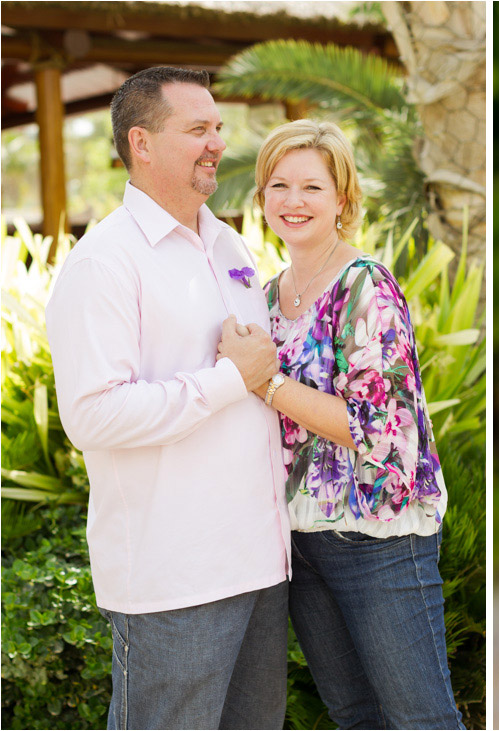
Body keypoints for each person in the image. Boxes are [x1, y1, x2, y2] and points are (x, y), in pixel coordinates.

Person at [45, 67, 291, 730]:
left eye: (218, 127)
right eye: (197, 129)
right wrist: (226, 379)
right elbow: (93, 414)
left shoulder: (232, 245)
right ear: (143, 144)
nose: (217, 141)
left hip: (261, 567)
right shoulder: (105, 263)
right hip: (175, 579)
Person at [216, 118, 464, 729]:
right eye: (278, 186)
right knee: (355, 717)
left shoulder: (365, 287)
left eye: (312, 189)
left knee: (420, 720)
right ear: (261, 197)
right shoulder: (268, 298)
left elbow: (373, 430)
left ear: (343, 201)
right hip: (298, 543)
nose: (292, 202)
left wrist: (267, 382)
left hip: (377, 538)